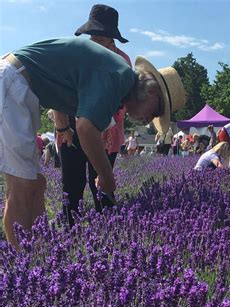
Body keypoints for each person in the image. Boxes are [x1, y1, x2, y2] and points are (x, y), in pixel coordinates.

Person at [0, 37, 185, 249]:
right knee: (22, 185)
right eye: (157, 111)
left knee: (37, 183)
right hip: (12, 83)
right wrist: (106, 176)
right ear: (152, 92)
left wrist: (63, 128)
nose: (150, 119)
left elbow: (68, 89)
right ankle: (21, 262)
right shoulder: (119, 76)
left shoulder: (116, 80)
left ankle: (40, 252)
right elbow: (86, 128)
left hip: (21, 87)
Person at [59, 4, 133, 224]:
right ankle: (69, 229)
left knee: (101, 182)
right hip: (72, 126)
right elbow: (59, 92)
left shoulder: (123, 60)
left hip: (107, 129)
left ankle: (108, 230)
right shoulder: (77, 55)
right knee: (71, 184)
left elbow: (125, 97)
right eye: (94, 34)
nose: (98, 39)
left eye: (104, 35)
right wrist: (62, 126)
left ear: (113, 38)